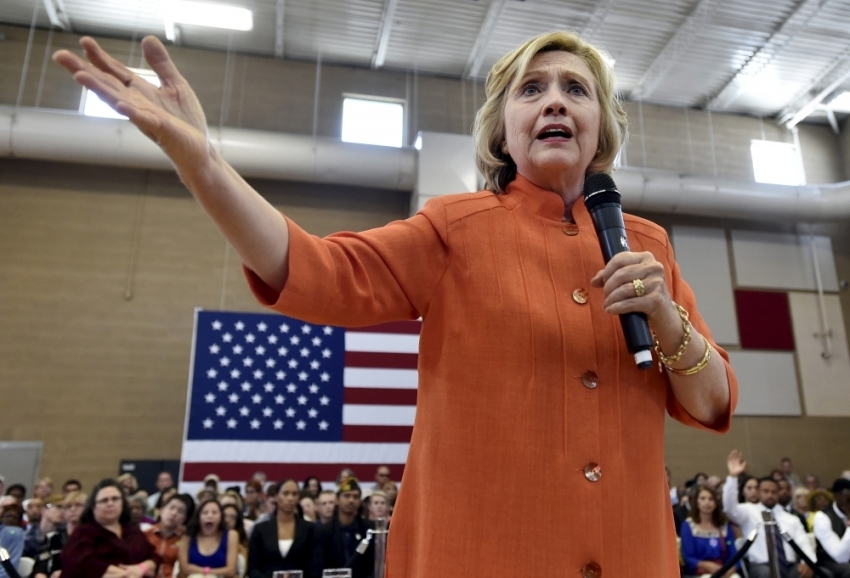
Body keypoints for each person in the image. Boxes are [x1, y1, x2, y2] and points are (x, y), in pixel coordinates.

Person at [53, 29, 737, 576]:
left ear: (602, 129)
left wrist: (669, 320)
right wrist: (204, 164)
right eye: (532, 88)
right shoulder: (455, 227)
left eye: (575, 89)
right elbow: (315, 269)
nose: (555, 100)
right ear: (502, 130)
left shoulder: (646, 247)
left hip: (633, 557)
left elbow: (713, 402)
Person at [723, 450, 816, 578]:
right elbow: (729, 508)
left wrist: (808, 563)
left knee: (812, 573)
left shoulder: (790, 518)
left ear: (778, 494)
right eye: (765, 491)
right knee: (766, 575)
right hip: (761, 567)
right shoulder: (748, 511)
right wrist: (733, 477)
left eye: (773, 492)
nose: (770, 495)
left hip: (789, 566)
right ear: (758, 492)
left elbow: (803, 542)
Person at [60, 478, 159, 578]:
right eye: (104, 500)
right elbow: (86, 566)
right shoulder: (82, 533)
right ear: (94, 507)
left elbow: (154, 559)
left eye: (115, 499)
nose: (110, 504)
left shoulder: (133, 531)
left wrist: (141, 568)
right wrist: (127, 574)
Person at [247, 479, 314, 578]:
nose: (290, 498)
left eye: (294, 494)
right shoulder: (260, 529)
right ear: (276, 497)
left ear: (298, 498)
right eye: (285, 494)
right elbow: (253, 568)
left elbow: (315, 565)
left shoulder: (309, 529)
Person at [311, 478, 374, 578]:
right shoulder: (323, 532)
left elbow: (372, 566)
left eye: (355, 497)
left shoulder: (369, 529)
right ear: (337, 500)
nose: (351, 500)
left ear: (359, 501)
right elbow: (318, 567)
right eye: (347, 496)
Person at [680, 485, 740, 578]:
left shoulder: (724, 525)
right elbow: (688, 557)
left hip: (724, 570)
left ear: (716, 503)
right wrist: (708, 566)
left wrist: (728, 571)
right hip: (699, 573)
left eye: (711, 499)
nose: (707, 502)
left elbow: (734, 555)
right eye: (703, 498)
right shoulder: (688, 525)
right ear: (696, 502)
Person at [177, 498, 238, 578]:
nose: (209, 516)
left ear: (221, 517)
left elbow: (230, 571)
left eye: (214, 513)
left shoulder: (231, 535)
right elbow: (184, 569)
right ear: (198, 517)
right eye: (205, 513)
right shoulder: (187, 536)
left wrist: (206, 572)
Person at [32, 491, 86, 578]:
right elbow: (40, 568)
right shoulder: (52, 538)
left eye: (78, 505)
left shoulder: (92, 538)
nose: (73, 509)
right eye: (68, 506)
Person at [145, 493, 194, 578]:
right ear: (161, 511)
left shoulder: (185, 539)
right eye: (171, 508)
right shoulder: (145, 534)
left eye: (180, 511)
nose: (174, 513)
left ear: (184, 519)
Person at [813, 478, 850, 578]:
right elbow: (840, 557)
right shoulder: (822, 517)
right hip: (829, 560)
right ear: (835, 496)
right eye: (846, 499)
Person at [0, 502, 24, 578]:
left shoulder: (16, 533)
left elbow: (10, 564)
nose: (11, 519)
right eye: (8, 516)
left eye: (15, 517)